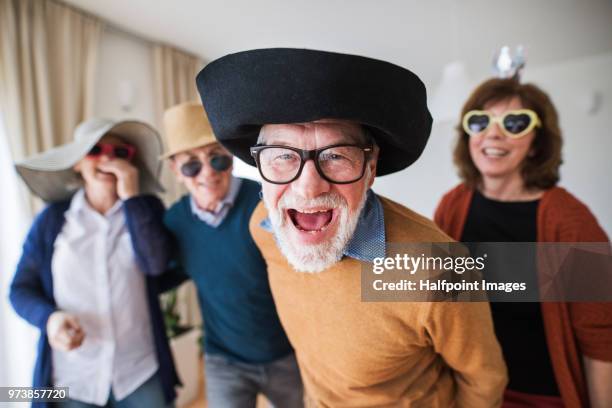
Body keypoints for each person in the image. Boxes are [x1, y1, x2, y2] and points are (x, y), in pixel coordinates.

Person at [196, 48, 507, 407]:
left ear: (371, 167)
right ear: (259, 166)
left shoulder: (441, 268)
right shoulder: (264, 229)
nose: (309, 188)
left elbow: (484, 380)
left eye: (336, 155)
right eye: (282, 155)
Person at [434, 78, 612, 408]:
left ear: (536, 144)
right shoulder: (453, 205)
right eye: (480, 121)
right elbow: (439, 300)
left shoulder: (573, 222)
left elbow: (602, 340)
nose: (494, 134)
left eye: (515, 124)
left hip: (541, 396)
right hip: (472, 391)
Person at [10, 119, 180, 408]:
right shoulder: (52, 220)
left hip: (139, 372)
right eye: (95, 149)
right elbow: (20, 289)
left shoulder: (146, 210)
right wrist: (50, 319)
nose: (107, 157)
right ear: (77, 163)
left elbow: (156, 265)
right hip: (73, 378)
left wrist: (131, 197)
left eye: (119, 152)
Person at [159, 101, 303, 408]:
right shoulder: (175, 222)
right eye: (191, 164)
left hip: (287, 354)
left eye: (217, 158)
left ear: (230, 156)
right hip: (224, 361)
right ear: (175, 170)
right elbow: (159, 275)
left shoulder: (267, 202)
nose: (207, 173)